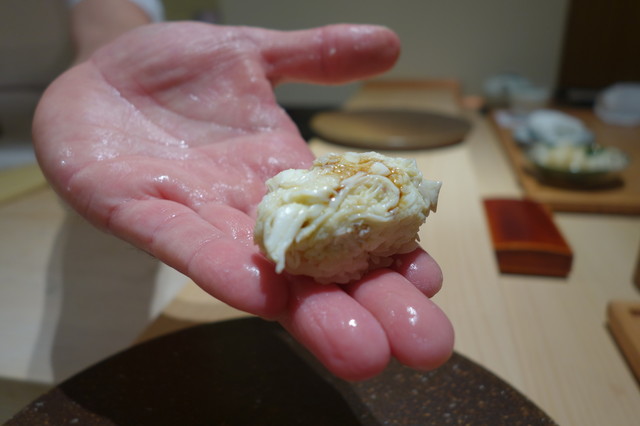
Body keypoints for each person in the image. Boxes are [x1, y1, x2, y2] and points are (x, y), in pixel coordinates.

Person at [33, 0, 454, 381]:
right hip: (60, 151)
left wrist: (108, 50)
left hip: (85, 92)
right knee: (97, 353)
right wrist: (102, 70)